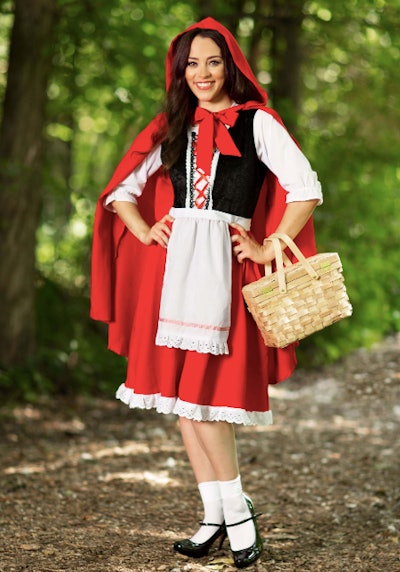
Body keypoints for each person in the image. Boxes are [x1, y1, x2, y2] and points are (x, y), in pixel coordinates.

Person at [91, 16, 322, 569]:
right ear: (180, 70)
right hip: (172, 276)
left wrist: (270, 246)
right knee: (184, 406)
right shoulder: (171, 126)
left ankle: (239, 515)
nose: (202, 72)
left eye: (213, 61)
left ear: (231, 65)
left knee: (207, 404)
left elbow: (306, 188)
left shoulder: (256, 122)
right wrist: (146, 229)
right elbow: (122, 189)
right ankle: (215, 515)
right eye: (191, 63)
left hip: (223, 272)